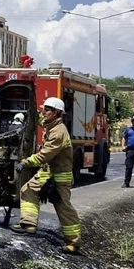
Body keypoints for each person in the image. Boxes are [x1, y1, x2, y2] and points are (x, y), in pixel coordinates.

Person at [17, 97, 81, 252]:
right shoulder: (52, 125)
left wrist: (26, 162)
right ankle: (29, 223)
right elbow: (42, 121)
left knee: (63, 207)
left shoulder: (59, 132)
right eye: (43, 109)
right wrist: (30, 115)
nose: (44, 112)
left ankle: (73, 243)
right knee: (28, 190)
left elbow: (44, 155)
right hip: (48, 172)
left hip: (59, 176)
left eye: (47, 110)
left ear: (57, 113)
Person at [121, 116, 134, 188]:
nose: (133, 122)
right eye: (132, 121)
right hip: (130, 150)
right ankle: (126, 182)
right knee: (129, 166)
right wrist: (123, 146)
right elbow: (124, 137)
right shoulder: (128, 129)